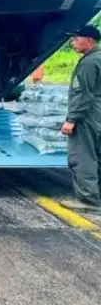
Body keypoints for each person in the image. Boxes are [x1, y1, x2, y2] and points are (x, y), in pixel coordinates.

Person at [59, 25, 101, 212]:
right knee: (97, 155)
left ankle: (88, 200)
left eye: (77, 39)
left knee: (83, 155)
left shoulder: (89, 62)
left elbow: (83, 94)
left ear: (89, 41)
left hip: (88, 115)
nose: (73, 42)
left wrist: (72, 119)